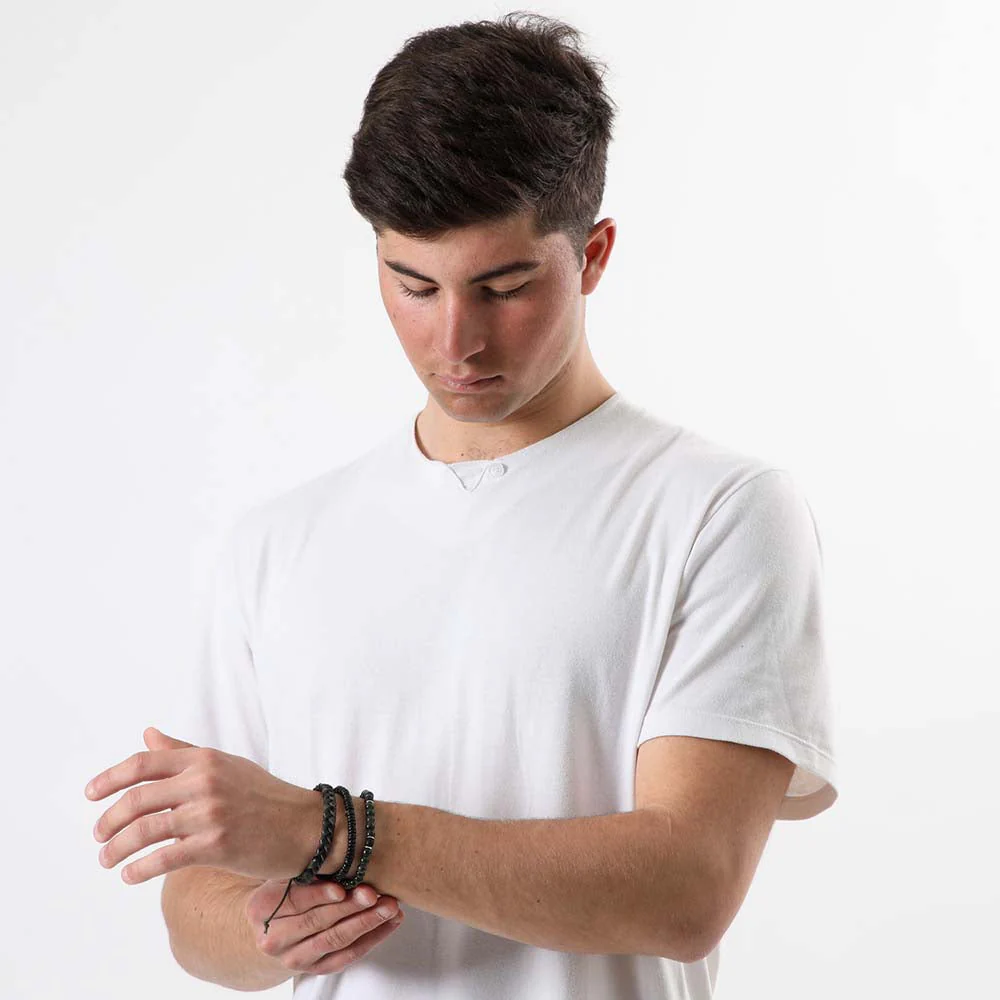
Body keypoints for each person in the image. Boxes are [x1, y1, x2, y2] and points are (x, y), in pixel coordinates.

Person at [135, 11, 837, 998]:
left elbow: (687, 889)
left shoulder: (718, 511)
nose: (455, 340)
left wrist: (333, 830)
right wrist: (263, 929)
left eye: (503, 286)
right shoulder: (279, 542)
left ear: (593, 255)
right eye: (413, 285)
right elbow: (195, 909)